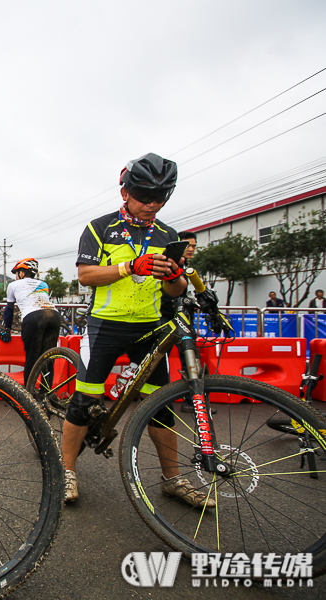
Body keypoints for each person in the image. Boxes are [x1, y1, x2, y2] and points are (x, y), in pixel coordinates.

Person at [64, 152, 212, 511]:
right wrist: (131, 265)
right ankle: (66, 469)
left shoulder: (168, 234)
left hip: (149, 329)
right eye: (144, 196)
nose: (151, 205)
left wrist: (174, 275)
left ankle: (172, 479)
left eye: (160, 198)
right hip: (105, 325)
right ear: (125, 192)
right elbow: (85, 276)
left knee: (159, 406)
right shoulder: (100, 227)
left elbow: (174, 292)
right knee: (85, 401)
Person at [0, 258, 60, 380]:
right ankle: (46, 394)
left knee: (32, 358)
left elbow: (9, 310)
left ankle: (28, 395)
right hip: (54, 315)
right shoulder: (44, 284)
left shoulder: (13, 285)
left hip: (33, 317)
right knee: (48, 358)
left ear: (21, 273)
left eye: (17, 273)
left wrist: (7, 329)